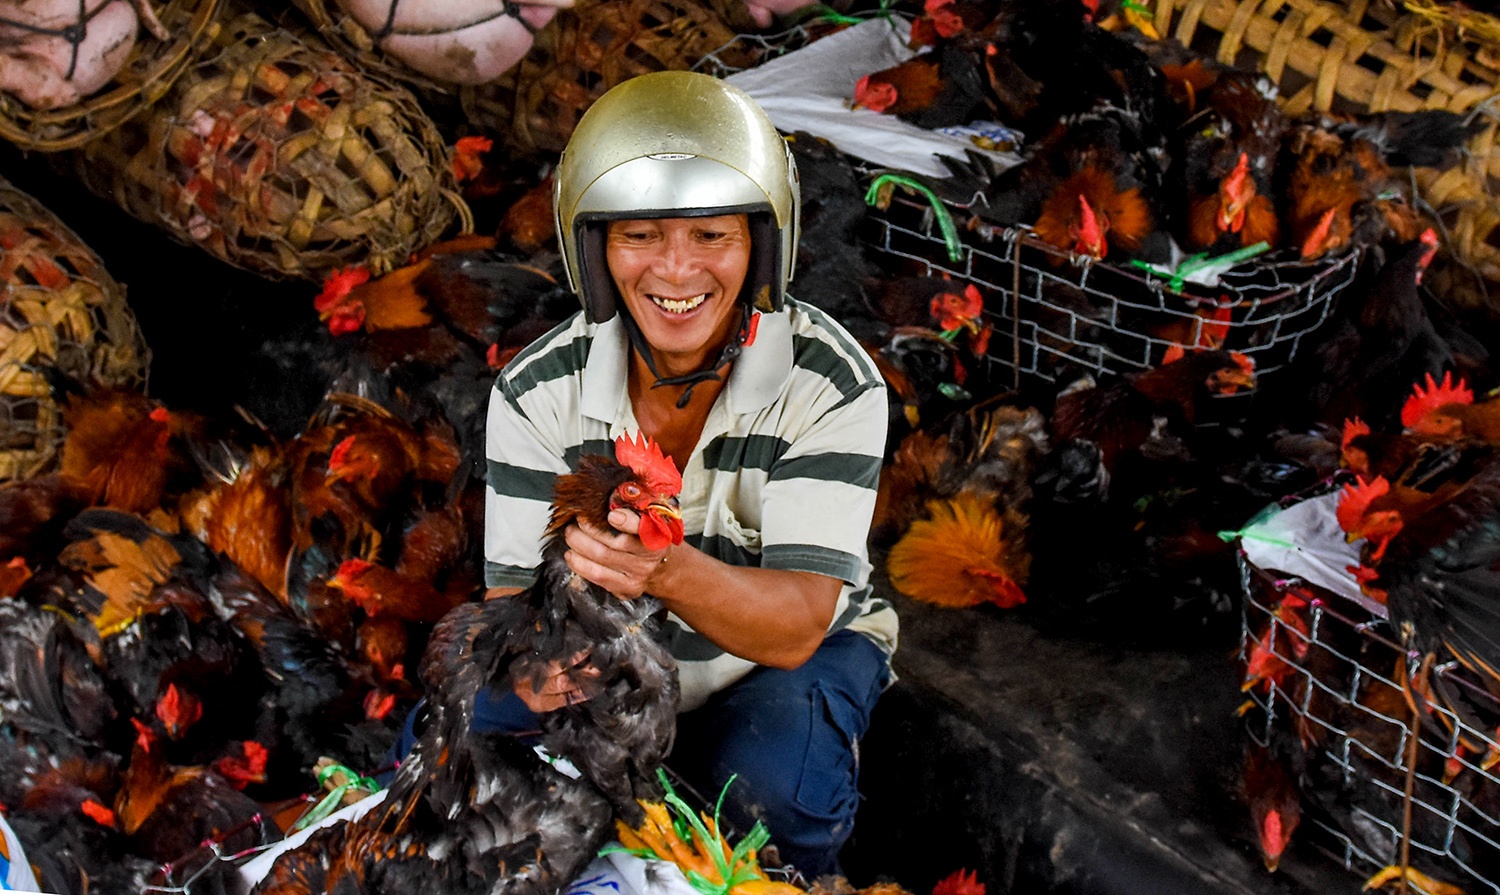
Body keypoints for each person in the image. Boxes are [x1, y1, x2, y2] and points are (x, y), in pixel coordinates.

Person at [397, 70, 897, 878]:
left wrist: (665, 570)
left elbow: (799, 620)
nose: (675, 270)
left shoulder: (829, 383)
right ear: (593, 248)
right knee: (441, 743)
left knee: (773, 791)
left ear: (761, 243)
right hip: (618, 664)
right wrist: (541, 670)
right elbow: (512, 604)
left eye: (711, 236)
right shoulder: (537, 389)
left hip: (782, 656)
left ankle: (795, 867)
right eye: (639, 235)